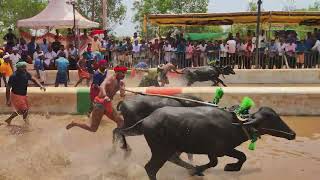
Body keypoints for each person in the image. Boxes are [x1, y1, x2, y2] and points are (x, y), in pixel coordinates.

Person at [66, 66, 127, 132]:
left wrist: (122, 90)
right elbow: (102, 86)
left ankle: (118, 138)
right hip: (100, 103)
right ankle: (75, 123)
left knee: (121, 122)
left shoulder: (121, 83)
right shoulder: (110, 78)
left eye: (125, 73)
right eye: (122, 73)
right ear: (118, 72)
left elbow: (122, 95)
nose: (124, 75)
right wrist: (105, 95)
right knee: (93, 128)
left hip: (108, 104)